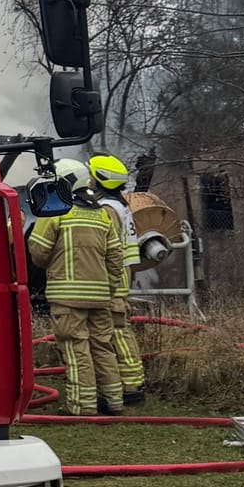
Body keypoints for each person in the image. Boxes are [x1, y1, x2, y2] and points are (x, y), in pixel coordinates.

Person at [28, 158, 128, 416]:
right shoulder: (103, 214)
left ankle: (83, 407)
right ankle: (114, 401)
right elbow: (116, 258)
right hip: (100, 297)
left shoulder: (56, 211)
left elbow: (38, 252)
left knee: (75, 349)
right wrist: (108, 287)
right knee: (103, 347)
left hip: (66, 297)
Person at [89, 152, 147, 404]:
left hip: (114, 277)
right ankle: (131, 384)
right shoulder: (120, 205)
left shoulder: (108, 209)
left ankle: (132, 387)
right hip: (121, 274)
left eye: (92, 177)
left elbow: (107, 247)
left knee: (118, 331)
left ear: (100, 179)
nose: (89, 181)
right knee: (119, 330)